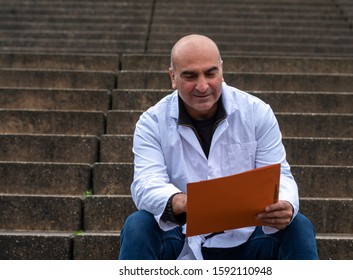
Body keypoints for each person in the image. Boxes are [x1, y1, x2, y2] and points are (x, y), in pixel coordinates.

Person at [118, 34, 319, 260]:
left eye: (211, 73)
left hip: (248, 238)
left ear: (222, 70)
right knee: (138, 225)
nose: (202, 86)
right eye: (190, 75)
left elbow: (279, 174)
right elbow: (146, 183)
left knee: (298, 225)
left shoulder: (256, 112)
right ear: (173, 77)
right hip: (181, 237)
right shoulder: (151, 122)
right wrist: (183, 201)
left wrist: (286, 205)